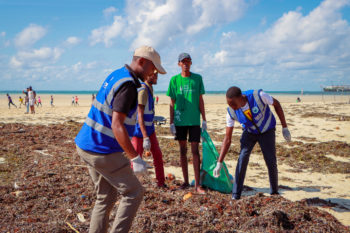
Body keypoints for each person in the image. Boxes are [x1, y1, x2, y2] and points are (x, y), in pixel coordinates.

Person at [75, 45, 166, 233]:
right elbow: (117, 124)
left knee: (105, 197)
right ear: (141, 61)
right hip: (101, 149)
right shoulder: (129, 86)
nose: (153, 72)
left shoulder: (118, 74)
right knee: (134, 192)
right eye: (152, 68)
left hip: (86, 144)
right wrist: (135, 158)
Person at [213, 86, 291, 200]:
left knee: (270, 160)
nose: (232, 107)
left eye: (233, 104)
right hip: (249, 132)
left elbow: (277, 104)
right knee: (242, 158)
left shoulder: (259, 96)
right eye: (229, 104)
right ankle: (236, 195)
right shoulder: (231, 112)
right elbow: (227, 138)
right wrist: (219, 162)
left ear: (240, 98)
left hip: (267, 130)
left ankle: (274, 193)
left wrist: (284, 126)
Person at [167, 52, 207, 194]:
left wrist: (204, 119)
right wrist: (171, 122)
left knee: (195, 151)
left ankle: (197, 184)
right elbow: (172, 103)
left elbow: (200, 100)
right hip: (180, 120)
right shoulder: (174, 80)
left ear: (191, 63)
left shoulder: (197, 79)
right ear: (179, 64)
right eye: (183, 62)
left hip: (194, 120)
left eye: (188, 61)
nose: (185, 64)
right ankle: (185, 181)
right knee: (182, 151)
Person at [131, 72, 166, 188]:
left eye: (157, 75)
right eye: (153, 74)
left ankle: (161, 183)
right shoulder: (142, 90)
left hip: (150, 129)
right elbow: (139, 115)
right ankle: (132, 186)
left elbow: (148, 112)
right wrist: (145, 137)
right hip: (139, 132)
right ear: (145, 76)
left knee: (158, 156)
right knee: (136, 160)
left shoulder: (150, 89)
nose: (156, 77)